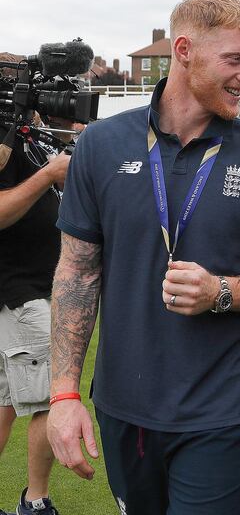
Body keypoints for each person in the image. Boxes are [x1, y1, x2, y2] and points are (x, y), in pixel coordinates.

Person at [46, 0, 240, 515]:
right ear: (185, 49)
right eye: (235, 59)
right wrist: (63, 394)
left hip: (221, 408)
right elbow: (76, 274)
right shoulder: (102, 145)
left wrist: (224, 292)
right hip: (123, 404)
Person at [0, 114, 76, 515]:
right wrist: (47, 175)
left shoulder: (22, 135)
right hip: (21, 295)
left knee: (5, 404)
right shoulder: (5, 138)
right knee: (50, 398)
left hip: (22, 292)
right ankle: (35, 501)